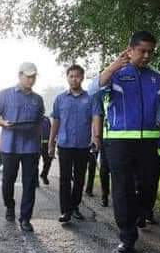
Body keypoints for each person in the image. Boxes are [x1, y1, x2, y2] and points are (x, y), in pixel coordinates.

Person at [87, 31, 160, 253]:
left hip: (148, 141)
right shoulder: (115, 73)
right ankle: (127, 235)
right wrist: (113, 66)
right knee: (122, 188)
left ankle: (140, 212)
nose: (146, 56)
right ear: (130, 50)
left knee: (149, 184)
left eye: (150, 52)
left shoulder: (157, 77)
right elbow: (92, 91)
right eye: (142, 51)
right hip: (119, 141)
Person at [0, 62, 46, 232]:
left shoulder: (38, 99)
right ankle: (9, 206)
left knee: (30, 184)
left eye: (33, 77)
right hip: (10, 146)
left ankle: (25, 218)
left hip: (31, 147)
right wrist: (3, 123)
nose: (31, 80)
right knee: (8, 181)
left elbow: (40, 121)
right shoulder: (4, 94)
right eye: (28, 76)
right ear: (19, 75)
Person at [48, 64, 103, 224]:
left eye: (77, 76)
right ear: (67, 78)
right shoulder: (60, 99)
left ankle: (74, 206)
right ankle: (65, 211)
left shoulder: (90, 98)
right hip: (64, 144)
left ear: (82, 78)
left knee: (79, 179)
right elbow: (55, 121)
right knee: (64, 179)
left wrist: (96, 137)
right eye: (71, 76)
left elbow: (96, 118)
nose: (74, 79)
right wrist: (51, 143)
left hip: (83, 145)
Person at [85, 142, 110, 207]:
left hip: (100, 141)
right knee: (91, 166)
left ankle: (104, 195)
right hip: (92, 141)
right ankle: (89, 189)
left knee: (94, 167)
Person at [38, 114, 53, 185]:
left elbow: (50, 130)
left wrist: (52, 142)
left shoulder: (46, 119)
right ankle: (35, 180)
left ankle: (44, 174)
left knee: (48, 160)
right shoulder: (34, 118)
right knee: (34, 163)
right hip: (36, 144)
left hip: (46, 143)